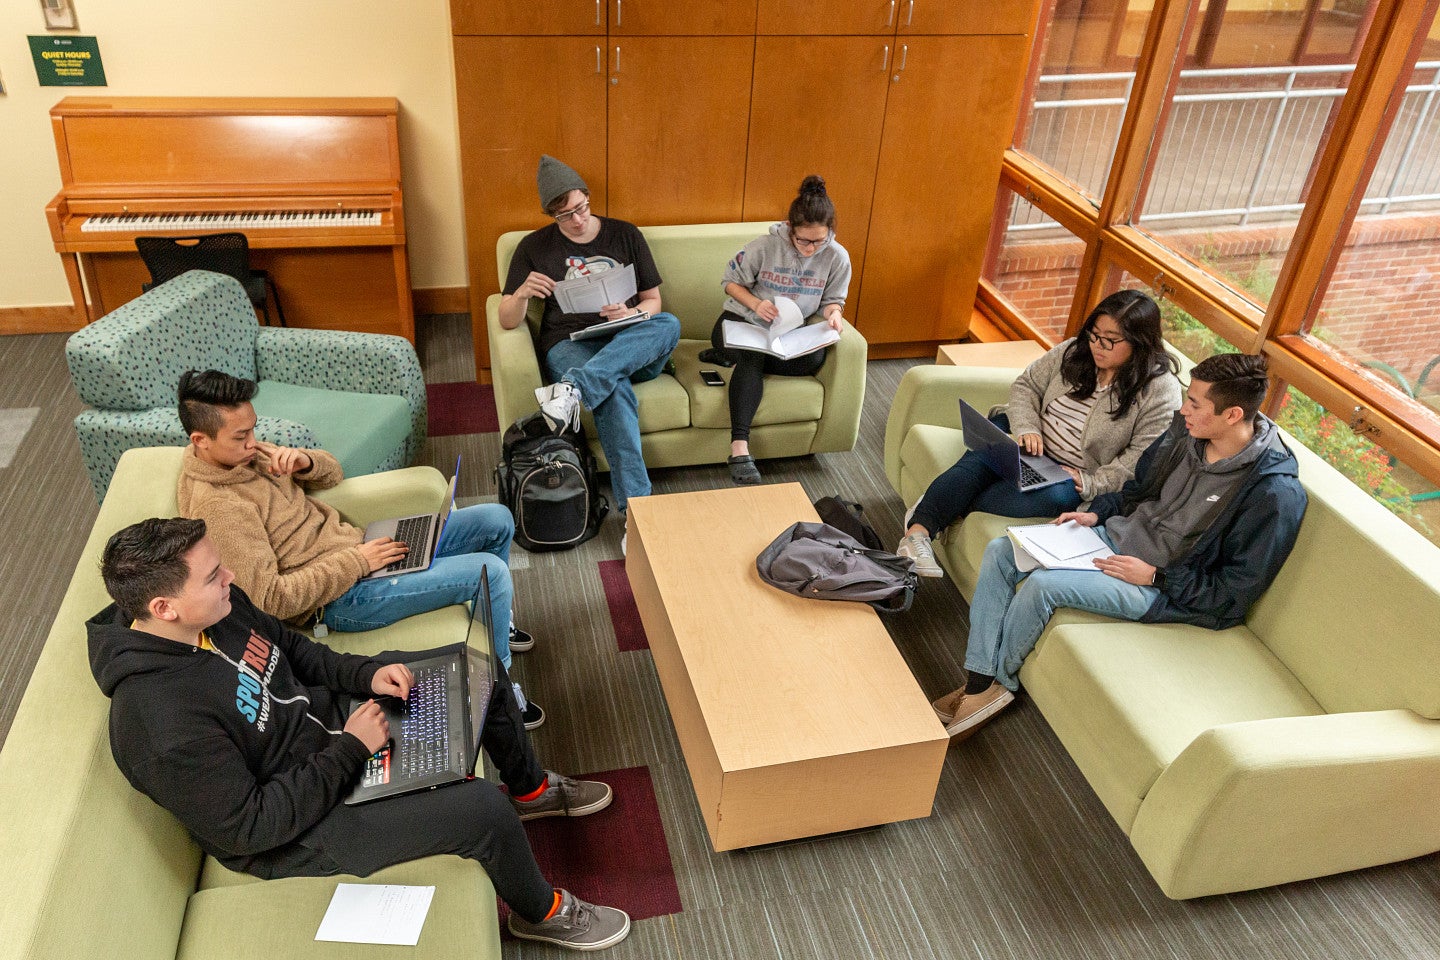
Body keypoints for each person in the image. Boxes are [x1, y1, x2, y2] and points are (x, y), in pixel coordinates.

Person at [88, 517, 630, 951]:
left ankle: (531, 790)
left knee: (473, 672)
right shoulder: (158, 725)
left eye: (220, 566)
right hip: (299, 829)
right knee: (483, 812)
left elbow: (295, 650)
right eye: (212, 576)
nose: (229, 576)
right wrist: (352, 748)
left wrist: (364, 675)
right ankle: (543, 915)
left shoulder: (214, 609)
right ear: (163, 608)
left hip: (334, 730)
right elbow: (250, 827)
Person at [934, 353, 1307, 739]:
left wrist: (1156, 577)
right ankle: (980, 684)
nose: (1183, 410)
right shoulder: (1186, 432)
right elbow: (1136, 492)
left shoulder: (1273, 494)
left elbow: (1235, 591)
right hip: (1111, 537)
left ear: (1232, 415)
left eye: (1195, 404)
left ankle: (1000, 686)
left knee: (1044, 586)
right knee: (1001, 551)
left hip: (1158, 586)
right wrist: (1096, 514)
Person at [174, 369, 545, 729]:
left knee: (496, 519)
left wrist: (305, 461)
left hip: (364, 548)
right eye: (241, 435)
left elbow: (334, 473)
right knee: (489, 573)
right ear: (200, 440)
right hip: (341, 599)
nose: (253, 442)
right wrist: (356, 561)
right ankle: (502, 685)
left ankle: (495, 619)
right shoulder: (220, 508)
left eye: (253, 428)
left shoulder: (244, 455)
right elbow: (270, 601)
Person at [897, 289, 1182, 578]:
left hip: (1070, 473)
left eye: (1110, 341)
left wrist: (1092, 482)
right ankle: (917, 533)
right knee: (980, 462)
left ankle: (935, 505)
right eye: (1094, 335)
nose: (1097, 346)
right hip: (1023, 439)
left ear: (1141, 342)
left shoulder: (1159, 390)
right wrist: (1027, 428)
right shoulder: (1075, 350)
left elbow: (1142, 458)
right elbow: (1026, 386)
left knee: (1054, 497)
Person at [498, 155, 682, 523]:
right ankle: (638, 515)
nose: (578, 220)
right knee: (614, 392)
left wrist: (629, 314)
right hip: (571, 344)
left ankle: (573, 390)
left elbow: (653, 302)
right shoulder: (534, 247)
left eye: (581, 208)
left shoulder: (625, 234)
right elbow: (505, 320)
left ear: (587, 196)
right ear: (553, 215)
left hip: (631, 342)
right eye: (566, 215)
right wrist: (520, 295)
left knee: (669, 322)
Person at [701, 175, 851, 485]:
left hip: (787, 332)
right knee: (753, 358)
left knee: (813, 360)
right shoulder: (765, 245)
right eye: (803, 241)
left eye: (819, 241)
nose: (810, 249)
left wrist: (834, 315)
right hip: (741, 321)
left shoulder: (837, 257)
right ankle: (740, 447)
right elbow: (729, 283)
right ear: (789, 228)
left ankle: (728, 359)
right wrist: (756, 304)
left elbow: (833, 301)